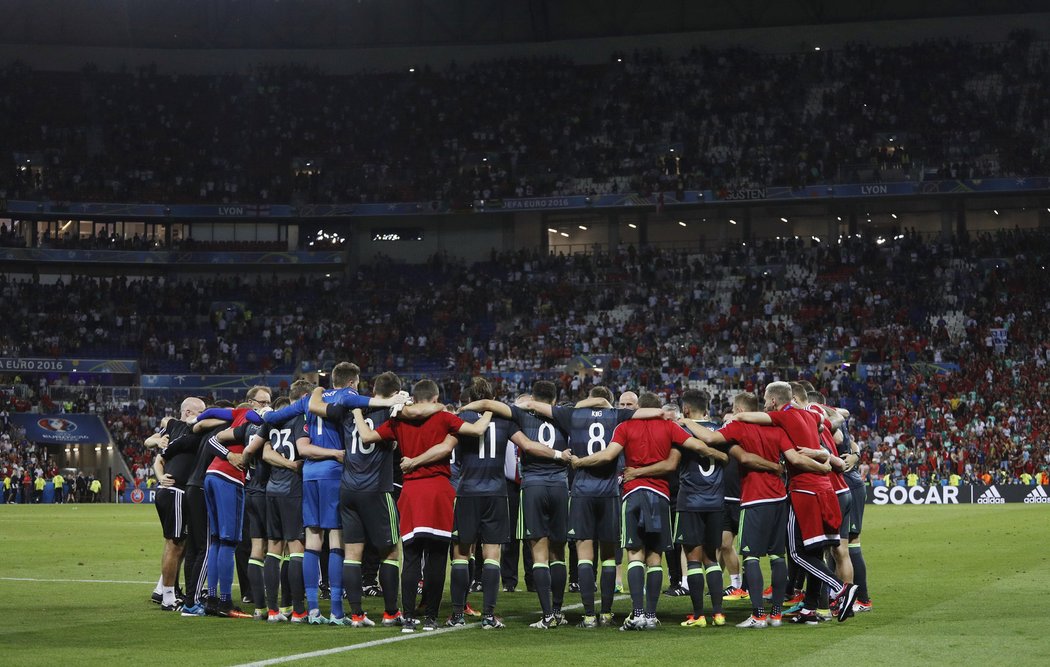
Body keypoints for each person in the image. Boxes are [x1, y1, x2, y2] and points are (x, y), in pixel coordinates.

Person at [263, 361, 407, 624]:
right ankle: (338, 611)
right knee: (338, 542)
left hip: (308, 474)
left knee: (312, 541)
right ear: (352, 382)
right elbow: (367, 402)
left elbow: (272, 417)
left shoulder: (309, 400)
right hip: (334, 472)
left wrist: (260, 414)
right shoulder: (349, 397)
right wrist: (392, 401)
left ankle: (309, 609)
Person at [353, 379, 491, 633]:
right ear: (436, 398)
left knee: (411, 559)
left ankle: (407, 618)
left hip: (411, 491)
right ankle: (430, 618)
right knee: (437, 560)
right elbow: (477, 430)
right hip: (438, 490)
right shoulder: (445, 418)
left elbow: (366, 436)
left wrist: (357, 412)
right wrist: (491, 409)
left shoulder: (398, 420)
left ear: (414, 399)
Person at [731, 381, 859, 624]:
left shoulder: (783, 417)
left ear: (773, 401)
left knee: (796, 553)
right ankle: (811, 609)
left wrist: (735, 417)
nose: (766, 404)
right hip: (827, 490)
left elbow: (750, 418)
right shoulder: (811, 415)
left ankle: (841, 588)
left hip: (805, 491)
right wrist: (822, 454)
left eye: (767, 400)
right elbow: (831, 421)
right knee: (815, 551)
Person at [570, 392, 698, 631]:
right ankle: (650, 615)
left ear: (639, 408)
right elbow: (687, 451)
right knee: (655, 558)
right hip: (660, 495)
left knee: (634, 555)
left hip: (631, 494)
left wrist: (579, 462)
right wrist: (716, 453)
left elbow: (608, 455)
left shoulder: (626, 426)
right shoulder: (669, 426)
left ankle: (636, 613)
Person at [307, 371, 420, 628]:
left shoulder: (349, 408)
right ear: (393, 392)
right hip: (378, 490)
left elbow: (316, 407)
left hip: (348, 489)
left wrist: (318, 391)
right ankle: (391, 612)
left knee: (353, 553)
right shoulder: (393, 411)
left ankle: (357, 615)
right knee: (390, 552)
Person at [450, 378, 560, 629]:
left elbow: (446, 449)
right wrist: (557, 454)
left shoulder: (461, 421)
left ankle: (456, 615)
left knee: (460, 554)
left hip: (467, 492)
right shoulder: (505, 422)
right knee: (492, 556)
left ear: (469, 398)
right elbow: (530, 446)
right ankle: (489, 615)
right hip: (497, 494)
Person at [259, 383, 312, 622]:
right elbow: (303, 450)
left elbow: (264, 451)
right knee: (296, 549)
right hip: (293, 489)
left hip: (272, 488)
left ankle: (273, 610)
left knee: (274, 549)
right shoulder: (300, 419)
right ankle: (298, 610)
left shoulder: (273, 421)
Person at [150, 396, 207, 611]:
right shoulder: (181, 429)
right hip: (175, 491)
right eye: (201, 411)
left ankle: (160, 590)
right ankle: (168, 598)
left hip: (175, 492)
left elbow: (158, 452)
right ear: (189, 412)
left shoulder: (175, 428)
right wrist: (161, 476)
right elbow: (157, 456)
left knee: (180, 543)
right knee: (174, 545)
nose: (205, 414)